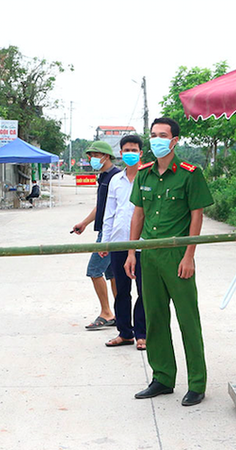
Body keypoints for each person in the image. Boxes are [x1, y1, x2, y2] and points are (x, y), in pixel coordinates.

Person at [125, 117, 213, 407]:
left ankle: (197, 383)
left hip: (177, 255)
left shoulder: (190, 173)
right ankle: (162, 377)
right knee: (155, 317)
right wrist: (131, 253)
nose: (157, 139)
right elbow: (138, 214)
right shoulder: (144, 174)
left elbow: (196, 216)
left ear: (175, 141)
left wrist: (190, 255)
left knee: (188, 319)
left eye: (163, 135)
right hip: (149, 254)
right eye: (153, 134)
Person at [98, 135, 146, 350]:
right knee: (122, 290)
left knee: (144, 291)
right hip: (118, 242)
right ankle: (125, 332)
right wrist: (104, 242)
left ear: (141, 153)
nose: (130, 153)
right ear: (120, 153)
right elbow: (110, 212)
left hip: (143, 244)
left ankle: (142, 334)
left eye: (134, 150)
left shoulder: (148, 177)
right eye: (126, 150)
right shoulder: (115, 180)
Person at [72, 140, 120, 330]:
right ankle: (120, 312)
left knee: (94, 270)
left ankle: (107, 313)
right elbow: (101, 205)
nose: (90, 159)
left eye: (93, 155)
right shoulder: (103, 177)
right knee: (111, 274)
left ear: (105, 156)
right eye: (89, 155)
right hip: (104, 230)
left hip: (110, 233)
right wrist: (84, 223)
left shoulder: (116, 177)